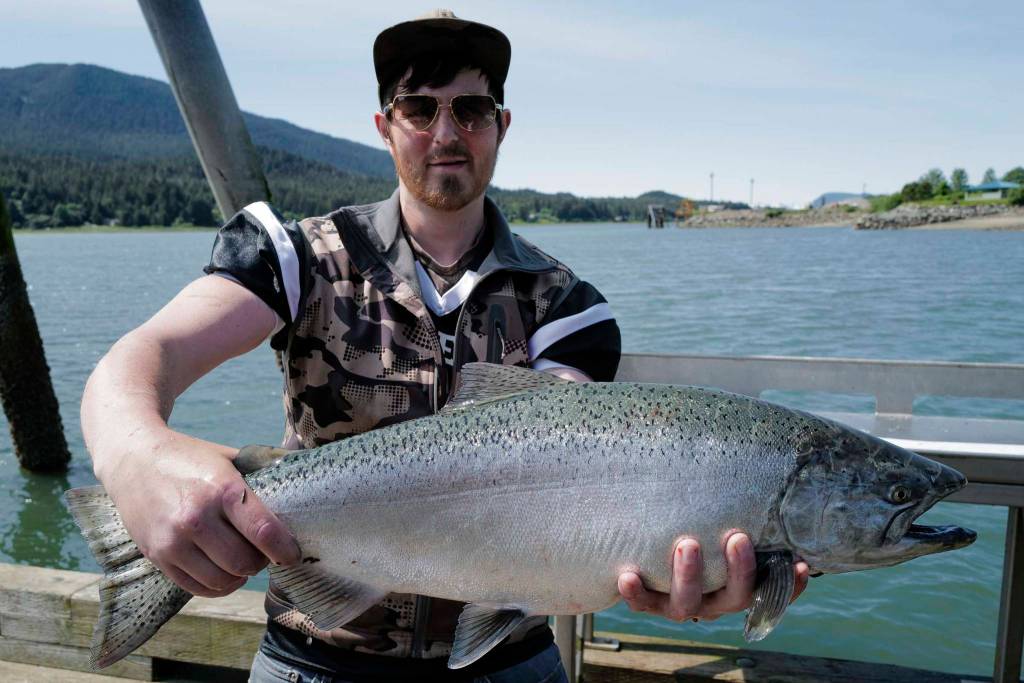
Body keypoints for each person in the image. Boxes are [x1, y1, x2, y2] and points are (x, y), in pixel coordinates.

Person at [81, 10, 808, 682]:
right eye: (419, 108)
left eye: (470, 108)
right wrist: (134, 455)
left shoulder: (568, 307)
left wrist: (678, 553)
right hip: (317, 657)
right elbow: (148, 354)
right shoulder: (293, 257)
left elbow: (574, 464)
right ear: (384, 125)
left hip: (509, 656)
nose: (446, 131)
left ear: (500, 124)